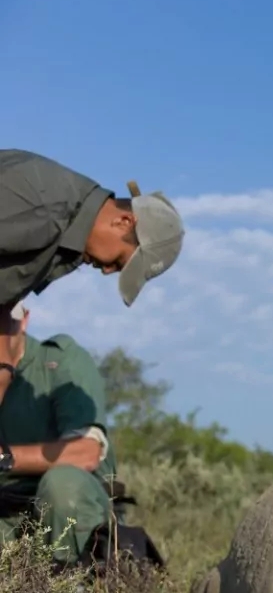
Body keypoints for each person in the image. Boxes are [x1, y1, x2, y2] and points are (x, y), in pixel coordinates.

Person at [0, 298, 119, 567]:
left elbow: (86, 453)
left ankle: (70, 591)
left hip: (69, 507)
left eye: (6, 321)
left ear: (24, 319)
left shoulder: (59, 360)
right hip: (10, 513)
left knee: (61, 485)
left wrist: (4, 457)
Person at [0, 149, 185, 312]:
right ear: (124, 221)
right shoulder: (45, 208)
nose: (106, 270)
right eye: (118, 262)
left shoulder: (67, 230)